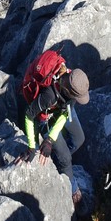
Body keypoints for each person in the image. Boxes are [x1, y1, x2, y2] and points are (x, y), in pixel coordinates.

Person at [15, 67, 90, 204]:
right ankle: (72, 189)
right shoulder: (49, 96)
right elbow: (29, 115)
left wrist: (50, 140)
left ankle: (58, 159)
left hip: (63, 108)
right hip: (46, 117)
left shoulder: (71, 82)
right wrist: (32, 147)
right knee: (66, 158)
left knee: (79, 139)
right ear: (70, 91)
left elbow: (65, 114)